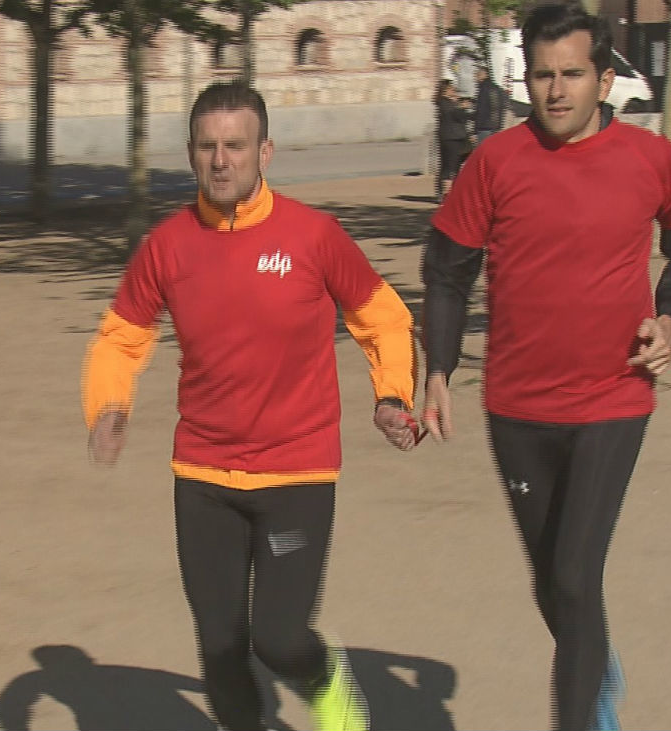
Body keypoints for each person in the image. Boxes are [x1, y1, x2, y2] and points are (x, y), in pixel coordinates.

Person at [418, 3, 671, 730]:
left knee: (574, 575)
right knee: (553, 587)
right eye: (543, 75)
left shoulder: (650, 160)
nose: (556, 91)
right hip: (517, 407)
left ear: (604, 77)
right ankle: (599, 664)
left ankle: (584, 719)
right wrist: (436, 367)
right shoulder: (495, 160)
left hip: (613, 397)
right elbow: (446, 270)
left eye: (573, 75)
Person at [82, 80, 420, 731]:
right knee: (219, 646)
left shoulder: (314, 236)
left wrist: (391, 393)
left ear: (265, 151)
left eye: (235, 145)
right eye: (207, 146)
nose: (220, 159)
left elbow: (382, 316)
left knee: (280, 638)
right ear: (190, 153)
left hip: (297, 471)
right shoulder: (168, 245)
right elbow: (122, 335)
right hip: (203, 474)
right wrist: (108, 405)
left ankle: (331, 690)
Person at [435, 79, 476, 202]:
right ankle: (445, 194)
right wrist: (462, 107)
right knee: (449, 167)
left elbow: (461, 119)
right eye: (451, 89)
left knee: (455, 165)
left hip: (457, 137)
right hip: (451, 138)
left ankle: (453, 192)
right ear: (445, 91)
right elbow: (457, 116)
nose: (454, 91)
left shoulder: (451, 103)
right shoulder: (444, 103)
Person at [471, 65, 509, 147]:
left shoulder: (483, 89)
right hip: (495, 127)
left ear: (485, 75)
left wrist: (475, 131)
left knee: (483, 154)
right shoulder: (497, 88)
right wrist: (499, 126)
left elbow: (481, 111)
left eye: (478, 74)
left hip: (484, 128)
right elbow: (501, 108)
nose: (475, 77)